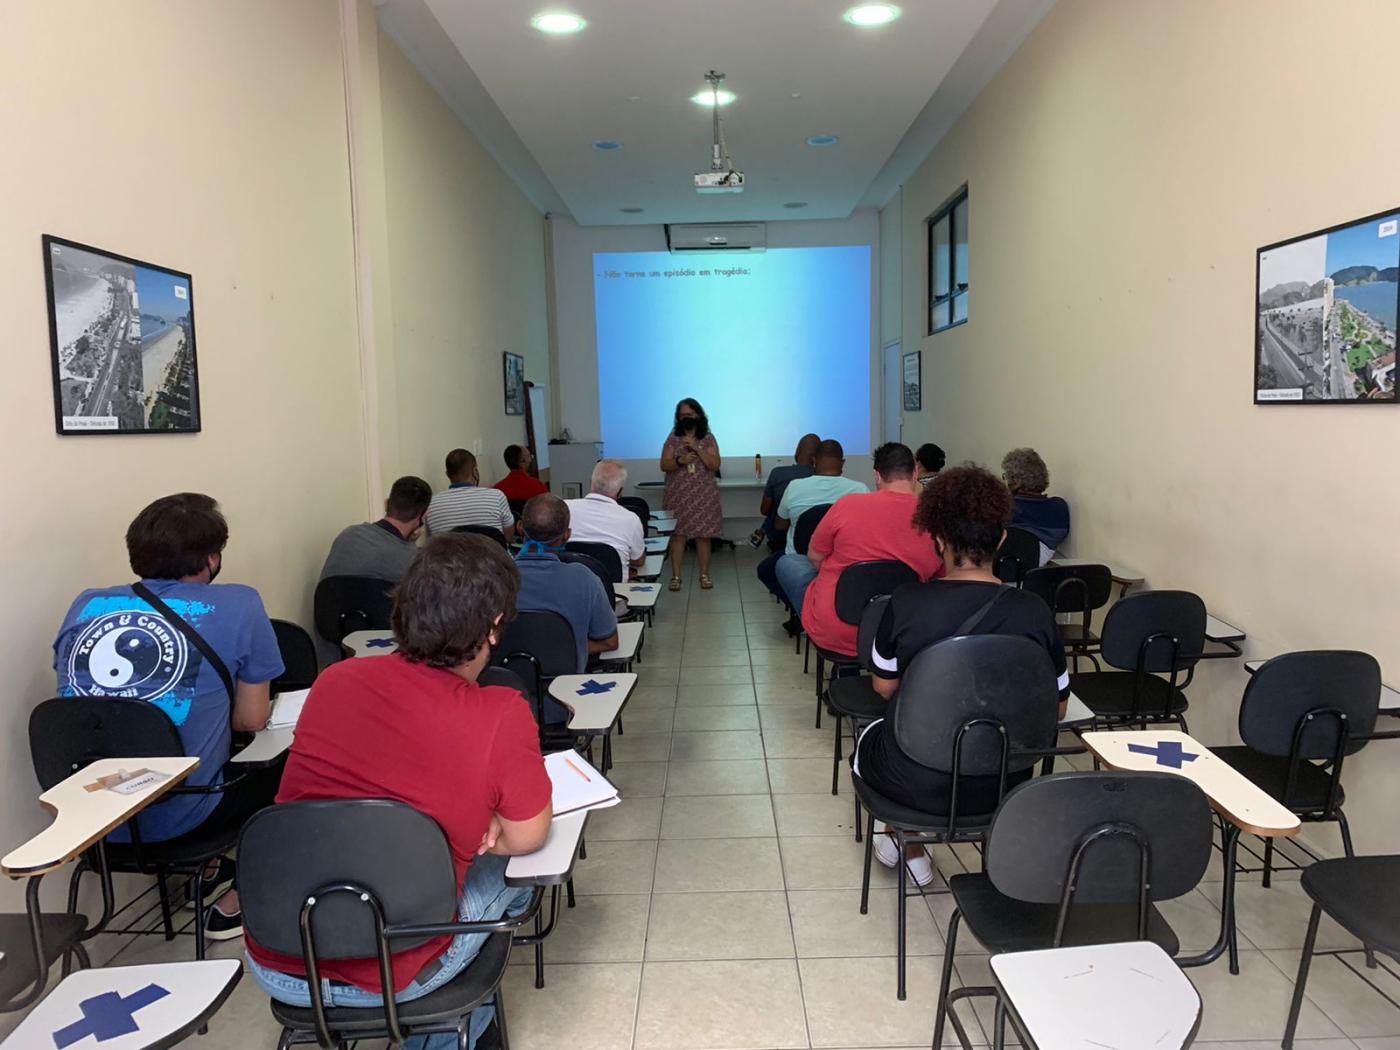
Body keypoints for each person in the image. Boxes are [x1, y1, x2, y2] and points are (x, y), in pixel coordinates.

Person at [245, 534, 552, 1050]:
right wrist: (488, 828)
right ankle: (457, 1031)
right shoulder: (499, 711)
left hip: (282, 956)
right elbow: (527, 836)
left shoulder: (336, 680)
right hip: (399, 968)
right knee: (519, 873)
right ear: (495, 626)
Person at [52, 493, 284, 941]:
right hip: (185, 814)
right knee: (289, 761)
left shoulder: (86, 603)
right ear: (212, 559)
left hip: (93, 821)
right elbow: (250, 720)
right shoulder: (238, 604)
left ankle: (211, 867)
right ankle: (240, 897)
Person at [855, 465, 1068, 886]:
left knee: (869, 738)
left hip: (917, 781)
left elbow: (883, 686)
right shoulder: (1034, 611)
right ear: (1003, 539)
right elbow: (1057, 709)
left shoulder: (907, 601)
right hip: (1007, 781)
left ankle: (908, 839)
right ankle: (918, 844)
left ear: (937, 540)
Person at [800, 443, 945, 656]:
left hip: (837, 630)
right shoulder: (935, 518)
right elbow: (940, 575)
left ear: (877, 476)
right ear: (915, 474)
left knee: (795, 569)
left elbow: (814, 556)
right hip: (901, 632)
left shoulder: (846, 505)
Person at [515, 494, 619, 722]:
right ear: (567, 536)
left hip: (504, 706)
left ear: (520, 528)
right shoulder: (584, 579)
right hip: (564, 705)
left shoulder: (493, 578)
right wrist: (563, 648)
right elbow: (610, 641)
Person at [766, 439, 868, 627]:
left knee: (766, 569)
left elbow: (780, 525)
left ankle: (803, 612)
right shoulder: (860, 490)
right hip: (844, 562)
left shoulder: (795, 486)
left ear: (814, 460)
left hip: (801, 560)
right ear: (843, 463)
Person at [318, 475, 431, 583]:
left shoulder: (348, 535)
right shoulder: (414, 561)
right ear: (423, 515)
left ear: (386, 504)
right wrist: (410, 546)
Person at [660, 398, 722, 591]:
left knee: (703, 537)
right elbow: (664, 465)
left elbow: (715, 464)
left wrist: (697, 448)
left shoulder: (708, 438)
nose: (685, 418)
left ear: (698, 415)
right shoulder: (672, 438)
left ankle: (705, 575)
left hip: (703, 496)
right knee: (678, 536)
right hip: (679, 495)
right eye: (681, 415)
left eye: (689, 414)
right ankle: (676, 577)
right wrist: (680, 460)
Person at [565, 459, 646, 581]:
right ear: (621, 491)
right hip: (615, 593)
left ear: (590, 482)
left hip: (570, 587)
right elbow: (638, 560)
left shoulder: (564, 508)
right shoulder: (631, 519)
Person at [747, 433, 820, 549]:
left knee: (777, 508)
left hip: (780, 535)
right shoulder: (823, 477)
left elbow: (764, 510)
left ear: (797, 452)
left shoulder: (778, 473)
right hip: (815, 537)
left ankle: (762, 531)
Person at [424, 449, 515, 538]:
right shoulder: (497, 496)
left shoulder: (431, 504)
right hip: (492, 552)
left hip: (451, 553)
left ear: (447, 474)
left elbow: (432, 542)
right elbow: (508, 537)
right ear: (475, 471)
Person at [1002, 447, 1070, 564]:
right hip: (1035, 573)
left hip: (998, 571)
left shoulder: (1004, 507)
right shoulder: (1059, 507)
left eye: (1006, 477)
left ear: (1016, 481)